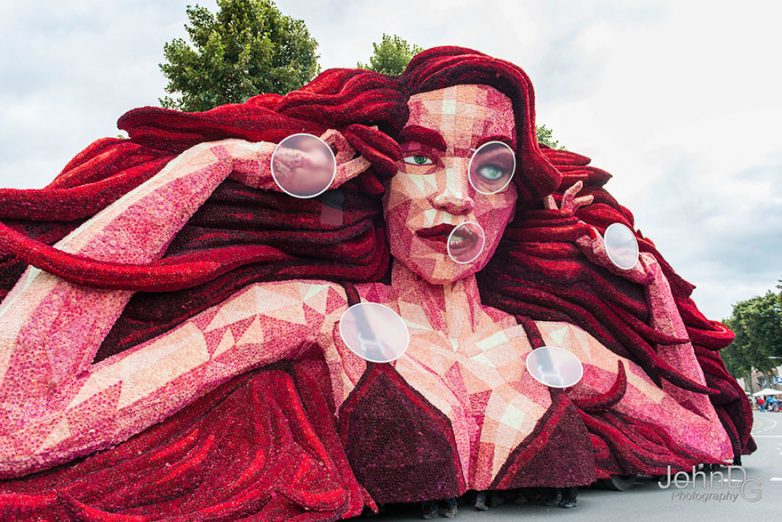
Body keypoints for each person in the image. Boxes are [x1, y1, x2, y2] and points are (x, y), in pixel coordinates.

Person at [0, 47, 755, 520]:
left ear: (515, 201)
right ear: (377, 176)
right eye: (422, 157)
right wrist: (206, 167)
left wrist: (654, 290)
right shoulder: (314, 314)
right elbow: (20, 427)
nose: (456, 197)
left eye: (491, 168)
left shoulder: (557, 347)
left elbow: (708, 438)